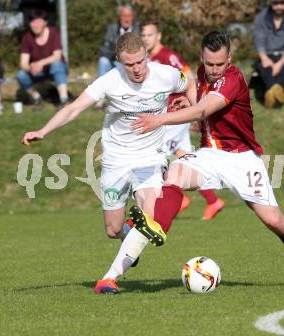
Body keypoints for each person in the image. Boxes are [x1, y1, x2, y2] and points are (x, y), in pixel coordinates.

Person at [99, 31, 284, 294]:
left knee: (274, 221)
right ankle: (157, 226)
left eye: (220, 64)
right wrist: (183, 101)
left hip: (242, 160)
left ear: (229, 59)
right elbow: (199, 111)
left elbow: (201, 111)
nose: (214, 69)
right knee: (173, 173)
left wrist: (161, 118)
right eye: (209, 64)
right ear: (202, 58)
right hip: (210, 154)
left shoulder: (233, 79)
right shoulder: (200, 73)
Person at [20, 32, 195, 293]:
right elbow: (74, 108)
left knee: (150, 215)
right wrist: (43, 131)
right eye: (129, 64)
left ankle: (109, 278)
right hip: (116, 159)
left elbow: (189, 81)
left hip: (150, 157)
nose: (136, 69)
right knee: (113, 230)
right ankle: (129, 234)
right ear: (119, 60)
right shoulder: (110, 81)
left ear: (146, 55)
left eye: (140, 62)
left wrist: (190, 104)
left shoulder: (165, 74)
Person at [141, 20, 225, 220]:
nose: (146, 39)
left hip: (173, 116)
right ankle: (213, 201)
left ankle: (160, 204)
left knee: (153, 156)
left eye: (150, 35)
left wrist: (194, 106)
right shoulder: (146, 59)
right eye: (143, 35)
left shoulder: (168, 56)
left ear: (158, 36)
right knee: (184, 157)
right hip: (167, 116)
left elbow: (188, 77)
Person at [253, 0, 284, 108]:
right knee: (264, 67)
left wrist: (279, 64)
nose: (279, 6)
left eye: (282, 3)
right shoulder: (260, 18)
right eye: (276, 3)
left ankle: (271, 92)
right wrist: (265, 59)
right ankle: (277, 90)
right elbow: (258, 41)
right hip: (267, 54)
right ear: (270, 3)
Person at [16, 9, 69, 106]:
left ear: (45, 22)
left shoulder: (54, 33)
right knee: (21, 75)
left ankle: (64, 99)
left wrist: (40, 63)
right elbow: (23, 63)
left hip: (55, 68)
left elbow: (57, 56)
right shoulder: (27, 37)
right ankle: (36, 97)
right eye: (33, 21)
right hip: (37, 72)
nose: (35, 25)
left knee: (57, 65)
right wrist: (31, 67)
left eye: (38, 21)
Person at [97, 4, 139, 77]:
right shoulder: (111, 29)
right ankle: (102, 87)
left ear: (133, 17)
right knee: (103, 61)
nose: (127, 19)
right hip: (116, 61)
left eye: (129, 16)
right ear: (119, 17)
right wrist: (119, 54)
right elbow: (103, 50)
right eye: (124, 16)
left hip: (134, 62)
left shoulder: (139, 28)